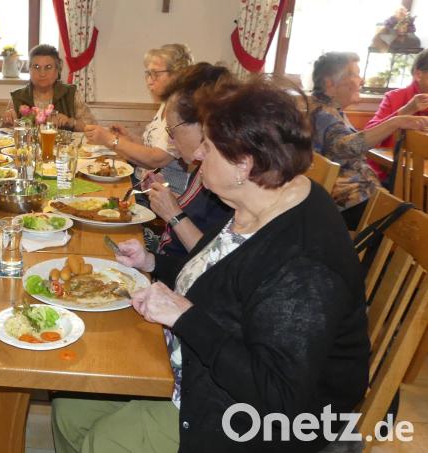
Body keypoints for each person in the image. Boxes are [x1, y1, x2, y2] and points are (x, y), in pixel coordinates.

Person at [53, 79, 370, 452]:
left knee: (102, 442)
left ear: (244, 163)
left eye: (209, 145)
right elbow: (218, 268)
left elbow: (278, 395)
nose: (198, 154)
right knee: (68, 407)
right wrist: (154, 261)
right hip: (198, 367)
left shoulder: (304, 265)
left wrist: (186, 318)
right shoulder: (259, 199)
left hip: (248, 420)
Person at [123, 62, 233, 287]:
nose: (171, 141)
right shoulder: (202, 167)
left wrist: (173, 213)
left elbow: (215, 266)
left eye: (172, 131)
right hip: (167, 266)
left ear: (203, 123)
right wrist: (168, 197)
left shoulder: (227, 182)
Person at [311, 51, 428, 229]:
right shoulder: (324, 114)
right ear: (330, 83)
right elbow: (345, 147)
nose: (362, 81)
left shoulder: (325, 108)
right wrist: (397, 122)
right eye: (356, 74)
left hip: (355, 198)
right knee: (414, 225)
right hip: (348, 203)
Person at [84, 44, 193, 195]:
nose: (149, 80)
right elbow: (152, 147)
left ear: (177, 75)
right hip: (141, 184)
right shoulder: (165, 104)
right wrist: (128, 138)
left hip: (165, 196)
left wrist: (110, 140)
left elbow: (156, 159)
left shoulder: (182, 111)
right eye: (148, 74)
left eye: (155, 74)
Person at [2, 44, 96, 131]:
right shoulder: (18, 97)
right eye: (36, 67)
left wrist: (70, 122)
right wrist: (7, 122)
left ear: (57, 71)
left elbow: (92, 128)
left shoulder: (71, 94)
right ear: (29, 70)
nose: (42, 73)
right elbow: (3, 134)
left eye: (48, 67)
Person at [365, 48, 428, 147]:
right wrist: (407, 110)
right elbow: (365, 139)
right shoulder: (394, 97)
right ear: (418, 75)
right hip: (389, 161)